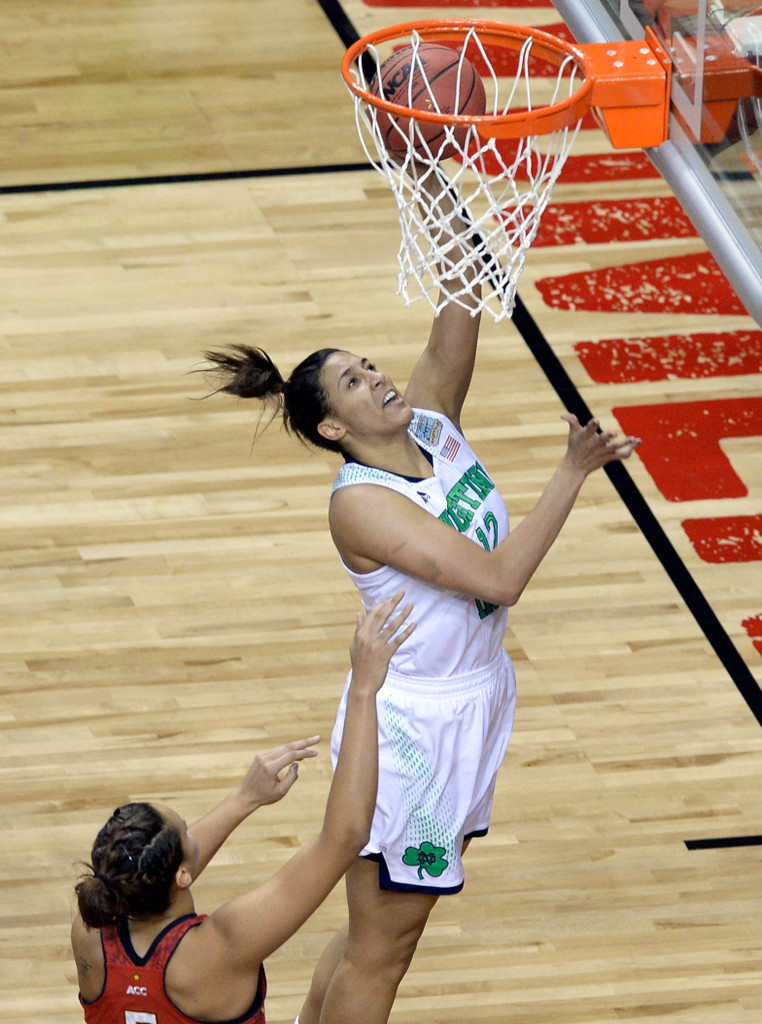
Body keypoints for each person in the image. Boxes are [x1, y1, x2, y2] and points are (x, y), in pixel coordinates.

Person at [201, 171, 641, 1024]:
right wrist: (570, 472)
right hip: (412, 728)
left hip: (472, 700)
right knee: (384, 949)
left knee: (379, 934)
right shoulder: (362, 504)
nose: (376, 377)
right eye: (356, 384)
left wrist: (432, 171)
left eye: (368, 364)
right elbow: (501, 578)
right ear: (335, 428)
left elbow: (463, 285)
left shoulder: (434, 418)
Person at [70, 593, 415, 1024]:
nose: (196, 834)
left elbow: (159, 864)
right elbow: (344, 838)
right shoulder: (220, 948)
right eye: (187, 832)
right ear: (181, 874)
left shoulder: (89, 934)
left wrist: (244, 800)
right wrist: (365, 687)